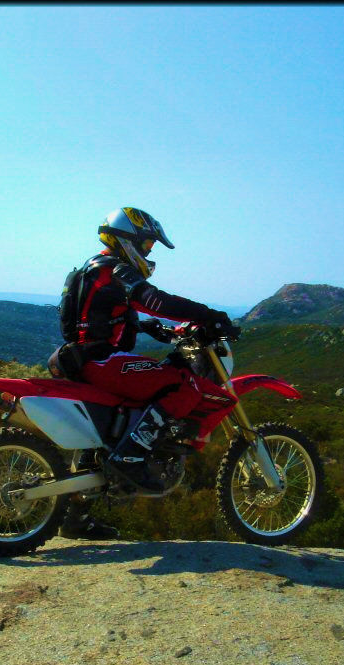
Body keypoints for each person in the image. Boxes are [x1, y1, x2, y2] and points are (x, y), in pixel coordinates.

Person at [50, 207, 237, 539]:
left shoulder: (91, 269)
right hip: (103, 362)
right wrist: (210, 316)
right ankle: (131, 457)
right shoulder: (116, 271)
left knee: (99, 439)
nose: (149, 252)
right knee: (184, 385)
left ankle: (75, 517)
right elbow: (155, 300)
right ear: (128, 240)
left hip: (84, 360)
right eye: (147, 245)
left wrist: (154, 329)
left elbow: (103, 315)